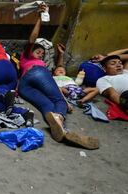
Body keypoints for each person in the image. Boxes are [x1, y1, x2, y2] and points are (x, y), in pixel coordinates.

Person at [18, 3, 99, 149]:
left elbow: (59, 69)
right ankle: (61, 119)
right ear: (31, 51)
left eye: (43, 54)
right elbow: (32, 39)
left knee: (47, 105)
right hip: (36, 74)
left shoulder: (37, 64)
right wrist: (39, 18)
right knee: (60, 102)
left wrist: (60, 54)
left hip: (23, 86)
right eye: (38, 51)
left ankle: (58, 126)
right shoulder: (28, 57)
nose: (41, 54)